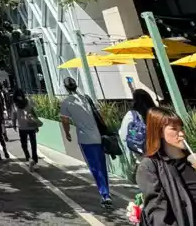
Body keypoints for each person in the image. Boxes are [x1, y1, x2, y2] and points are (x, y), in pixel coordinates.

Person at [59, 76, 113, 207]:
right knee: (101, 165)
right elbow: (100, 115)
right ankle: (106, 191)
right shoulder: (86, 98)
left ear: (65, 88)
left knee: (95, 167)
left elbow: (65, 121)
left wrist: (67, 133)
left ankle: (105, 194)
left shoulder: (67, 103)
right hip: (97, 136)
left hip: (84, 138)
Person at [9, 90, 41, 168]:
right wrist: (36, 125)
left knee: (24, 144)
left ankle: (28, 158)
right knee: (33, 144)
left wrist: (13, 125)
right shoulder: (29, 102)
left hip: (22, 127)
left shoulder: (15, 105)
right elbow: (34, 114)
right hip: (31, 126)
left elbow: (13, 117)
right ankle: (35, 160)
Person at [120, 88, 156, 158]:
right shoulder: (153, 113)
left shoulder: (131, 115)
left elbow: (124, 134)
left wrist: (135, 135)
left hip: (140, 154)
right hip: (154, 151)